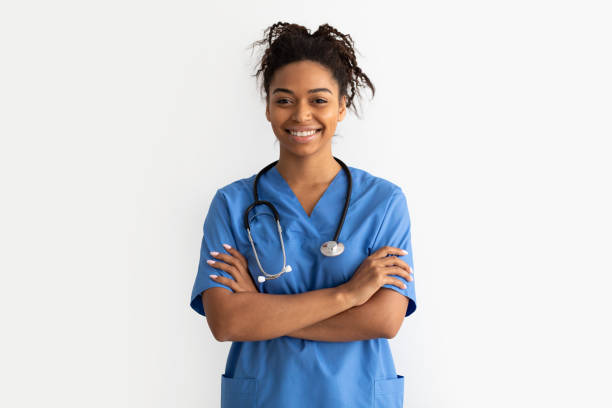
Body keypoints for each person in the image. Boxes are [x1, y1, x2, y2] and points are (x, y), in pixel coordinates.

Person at [189, 22, 417, 408]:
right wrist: (349, 294)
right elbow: (227, 322)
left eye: (319, 100)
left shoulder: (383, 203)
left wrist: (262, 312)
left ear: (342, 107)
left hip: (355, 397)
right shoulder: (231, 204)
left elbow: (383, 320)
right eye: (284, 100)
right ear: (267, 107)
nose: (300, 115)